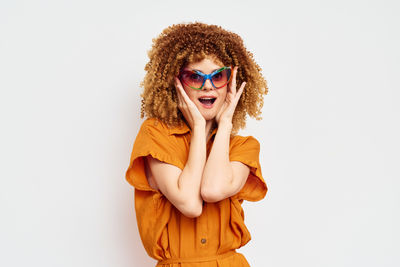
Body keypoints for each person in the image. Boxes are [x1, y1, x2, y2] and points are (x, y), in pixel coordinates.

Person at [125, 22, 268, 266]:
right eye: (195, 76)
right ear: (176, 83)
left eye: (218, 76)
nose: (208, 85)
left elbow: (212, 190)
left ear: (231, 81)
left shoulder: (243, 147)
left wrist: (224, 126)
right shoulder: (156, 136)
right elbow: (190, 204)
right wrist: (200, 127)